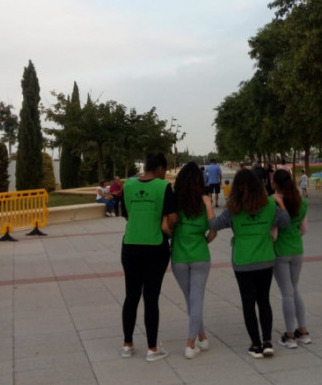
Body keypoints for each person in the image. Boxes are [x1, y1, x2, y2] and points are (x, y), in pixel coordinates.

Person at [208, 168, 289, 359]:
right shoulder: (269, 205)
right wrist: (281, 204)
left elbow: (214, 225)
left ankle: (256, 344)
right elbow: (285, 222)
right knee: (264, 300)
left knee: (248, 303)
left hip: (243, 261)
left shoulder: (234, 208)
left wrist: (208, 206)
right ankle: (268, 341)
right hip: (265, 259)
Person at [120, 152, 178, 362]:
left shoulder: (128, 185)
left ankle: (127, 344)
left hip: (130, 246)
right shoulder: (163, 187)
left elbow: (126, 214)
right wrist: (169, 228)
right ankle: (153, 348)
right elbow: (172, 217)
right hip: (155, 247)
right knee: (151, 298)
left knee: (131, 295)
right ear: (161, 168)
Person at [171, 162, 216, 359]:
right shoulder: (201, 203)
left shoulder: (174, 202)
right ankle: (191, 344)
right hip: (200, 255)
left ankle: (202, 337)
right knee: (196, 299)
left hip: (179, 256)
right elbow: (213, 229)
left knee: (191, 299)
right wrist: (208, 205)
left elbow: (168, 225)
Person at [271, 169, 311, 348]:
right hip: (297, 249)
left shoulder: (274, 202)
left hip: (280, 250)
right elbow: (304, 229)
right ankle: (303, 330)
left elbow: (274, 233)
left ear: (275, 184)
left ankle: (289, 335)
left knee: (286, 292)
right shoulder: (301, 201)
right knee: (295, 290)